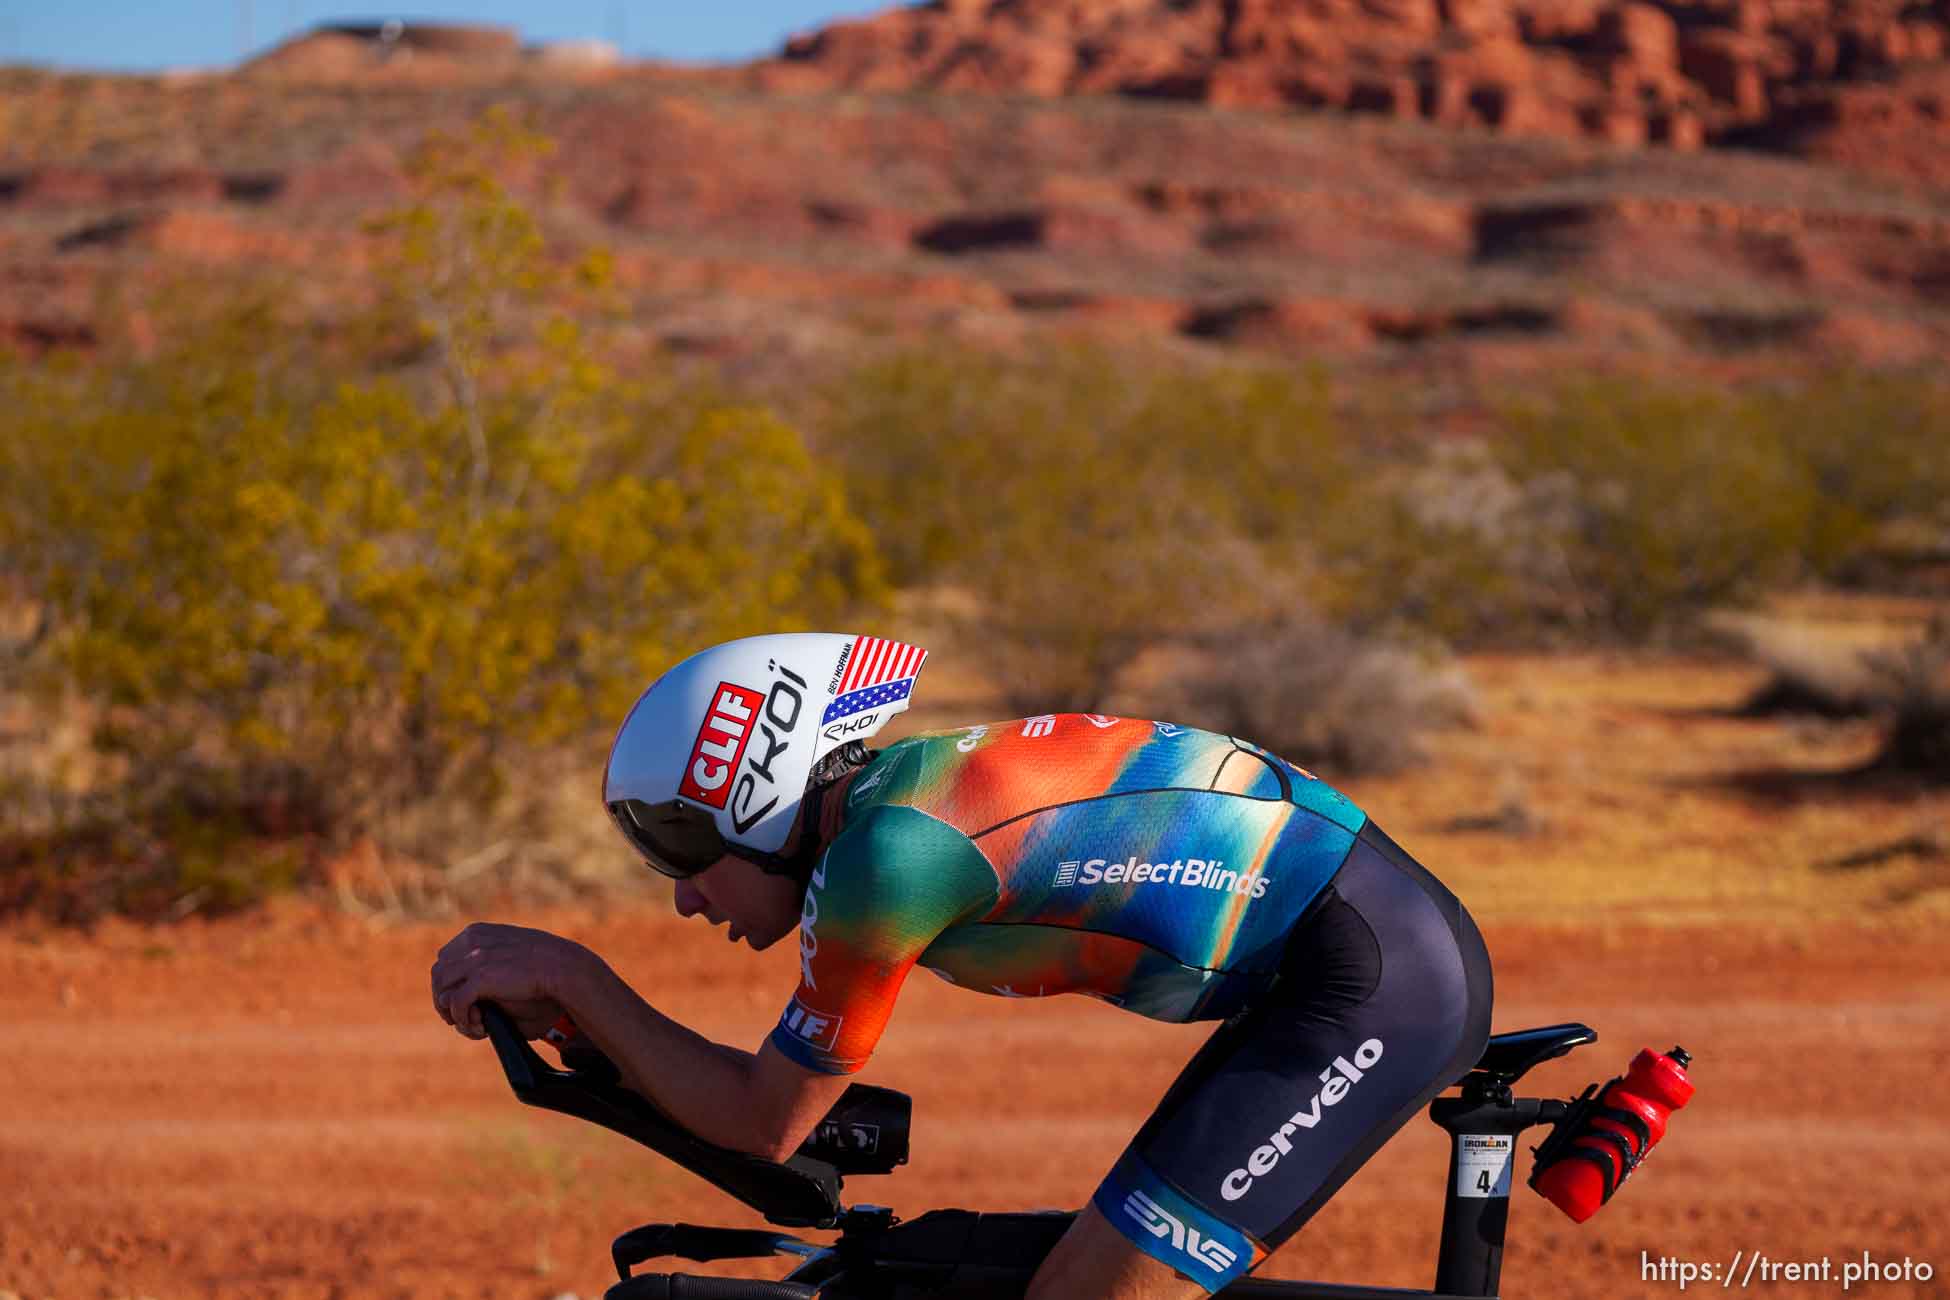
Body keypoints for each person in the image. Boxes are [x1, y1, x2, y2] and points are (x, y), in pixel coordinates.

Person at [431, 633, 1492, 1299]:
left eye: (678, 847)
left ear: (754, 800)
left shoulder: (890, 857)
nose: (682, 893)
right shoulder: (889, 815)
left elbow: (767, 1120)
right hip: (1335, 957)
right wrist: (600, 1036)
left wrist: (577, 977)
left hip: (1373, 979)